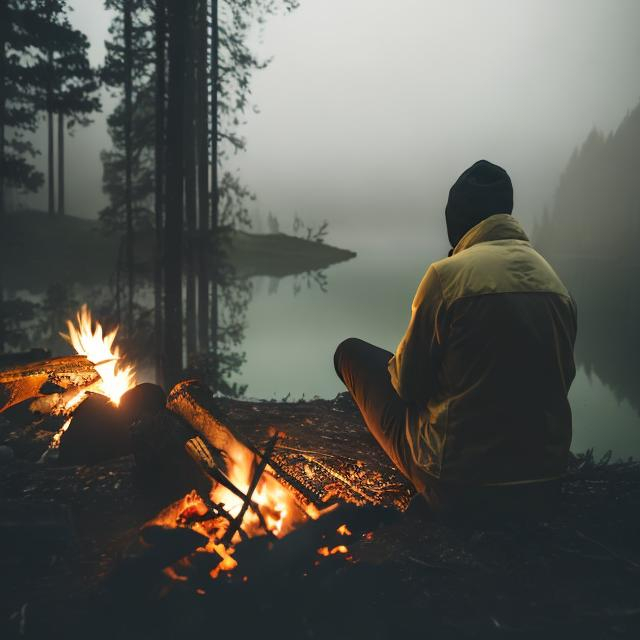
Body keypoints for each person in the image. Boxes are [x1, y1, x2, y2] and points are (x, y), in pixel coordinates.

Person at [334, 160, 577, 517]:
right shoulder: (554, 283)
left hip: (459, 488)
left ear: (458, 220)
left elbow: (408, 387)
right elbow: (559, 382)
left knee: (350, 353)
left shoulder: (447, 276)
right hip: (543, 485)